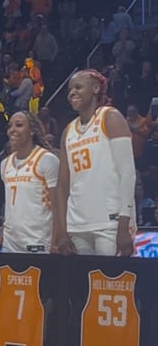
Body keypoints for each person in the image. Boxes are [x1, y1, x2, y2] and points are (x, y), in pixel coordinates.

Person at [55, 70, 136, 256]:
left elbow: (128, 174)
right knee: (83, 284)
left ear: (96, 89)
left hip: (110, 223)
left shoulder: (111, 117)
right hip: (77, 224)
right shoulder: (68, 131)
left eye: (78, 87)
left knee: (108, 282)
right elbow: (62, 186)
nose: (72, 93)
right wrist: (61, 230)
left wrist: (124, 222)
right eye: (69, 90)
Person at [0, 111, 59, 254]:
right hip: (10, 245)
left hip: (39, 243)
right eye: (10, 126)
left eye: (19, 125)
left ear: (32, 131)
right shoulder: (5, 164)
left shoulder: (47, 160)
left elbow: (58, 207)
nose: (12, 130)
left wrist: (55, 243)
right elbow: (10, 210)